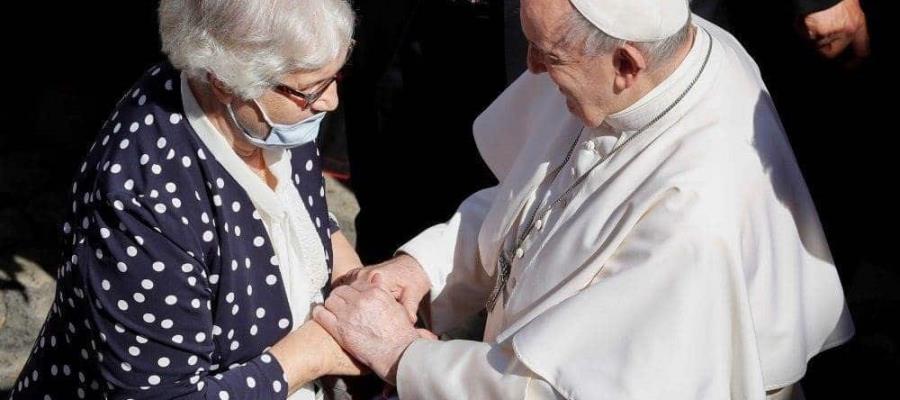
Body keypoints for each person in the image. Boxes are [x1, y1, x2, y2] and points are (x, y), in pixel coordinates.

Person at [314, 0, 855, 398]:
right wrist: (424, 269)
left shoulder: (690, 218)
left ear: (626, 64)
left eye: (547, 53)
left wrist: (404, 356)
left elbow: (560, 388)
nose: (529, 68)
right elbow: (538, 201)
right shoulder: (666, 51)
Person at [9, 1, 367, 399]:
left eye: (335, 76)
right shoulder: (141, 205)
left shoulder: (268, 115)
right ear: (224, 82)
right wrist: (315, 355)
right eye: (311, 88)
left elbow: (295, 209)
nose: (330, 100)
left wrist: (353, 279)